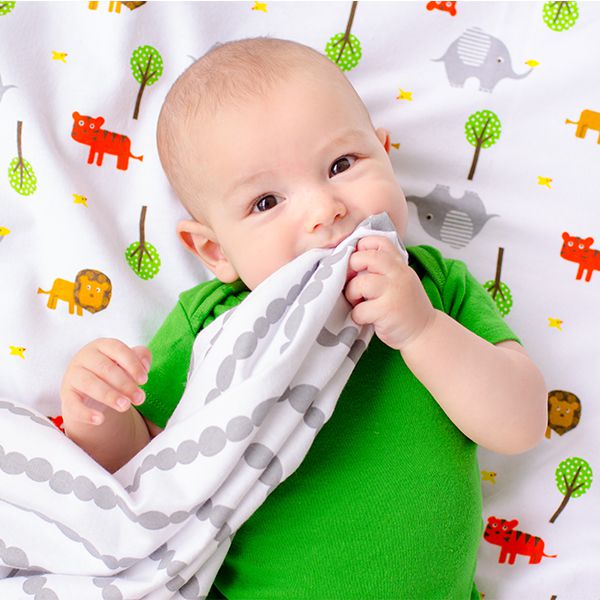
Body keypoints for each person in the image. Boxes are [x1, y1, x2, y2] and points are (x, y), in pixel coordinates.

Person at [60, 37, 547, 598]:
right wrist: (100, 411)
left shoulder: (433, 285)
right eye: (266, 202)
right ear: (215, 251)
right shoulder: (216, 327)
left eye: (342, 165)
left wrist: (422, 330)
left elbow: (520, 425)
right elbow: (145, 473)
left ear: (385, 155)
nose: (325, 209)